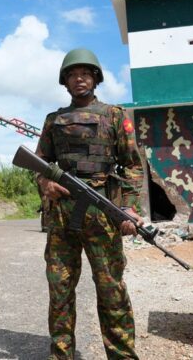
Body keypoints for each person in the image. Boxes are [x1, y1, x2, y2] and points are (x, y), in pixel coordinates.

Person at [35, 48, 145, 359]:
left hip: (103, 215)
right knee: (60, 291)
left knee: (112, 291)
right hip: (62, 218)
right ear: (65, 81)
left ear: (95, 78)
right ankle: (61, 354)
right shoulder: (53, 120)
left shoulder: (114, 116)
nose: (79, 78)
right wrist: (46, 183)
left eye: (85, 73)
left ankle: (122, 355)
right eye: (72, 74)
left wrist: (130, 208)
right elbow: (40, 164)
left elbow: (134, 166)